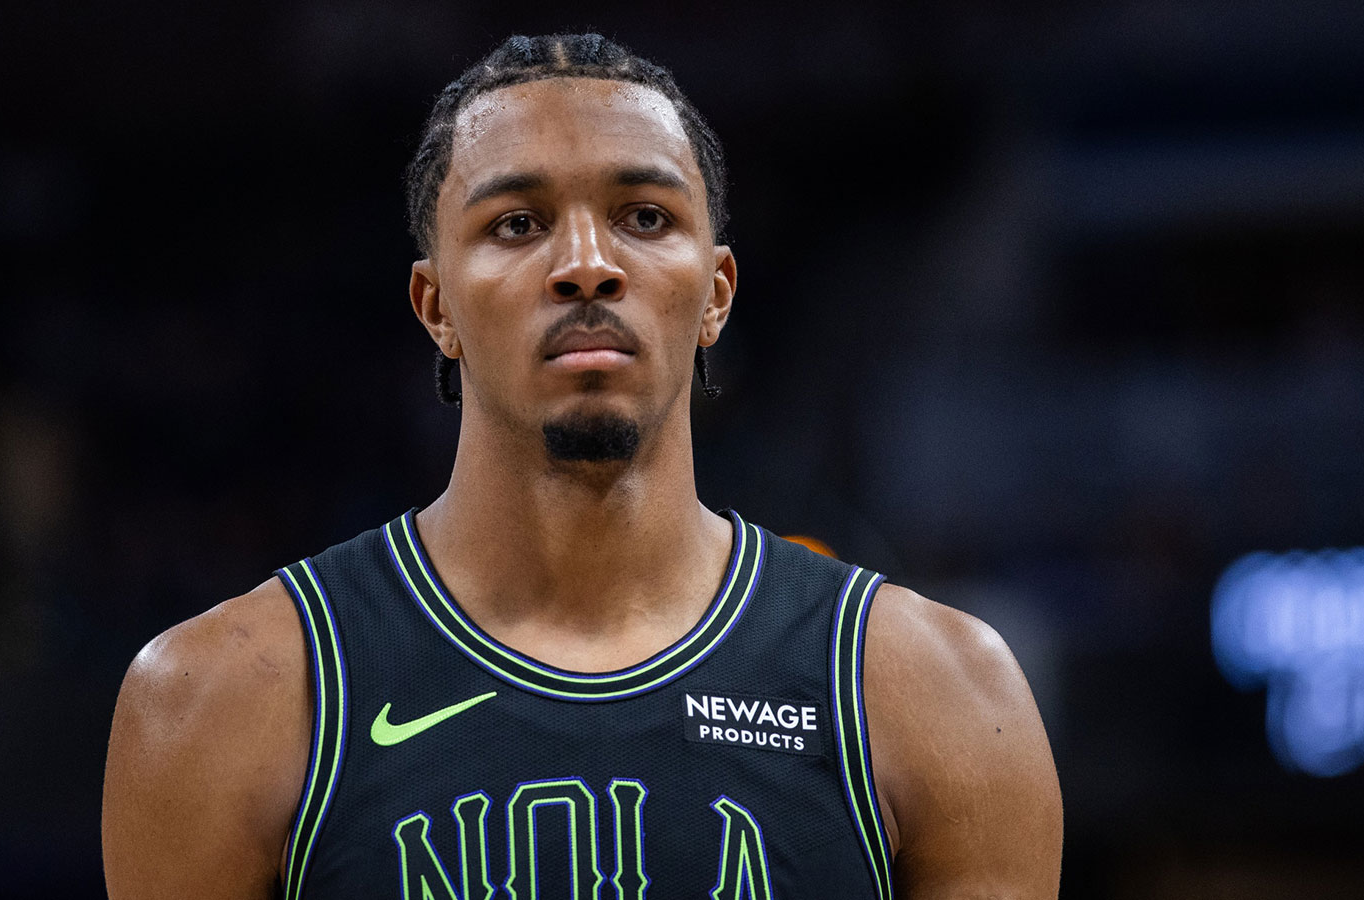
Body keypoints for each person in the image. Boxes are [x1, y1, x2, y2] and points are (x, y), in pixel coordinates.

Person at [102, 33, 1062, 900]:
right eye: (517, 224)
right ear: (434, 307)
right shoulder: (221, 697)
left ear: (717, 293)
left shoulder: (935, 690)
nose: (587, 264)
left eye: (644, 217)